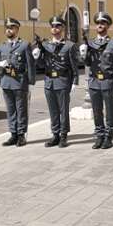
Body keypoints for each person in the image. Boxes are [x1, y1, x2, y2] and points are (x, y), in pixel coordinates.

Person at [0, 18, 36, 146]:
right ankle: (13, 134)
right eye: (7, 28)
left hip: (19, 82)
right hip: (6, 81)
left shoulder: (24, 45)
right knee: (11, 109)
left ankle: (21, 135)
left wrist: (31, 81)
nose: (9, 30)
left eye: (12, 27)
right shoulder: (3, 46)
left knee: (21, 109)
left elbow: (30, 64)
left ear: (17, 29)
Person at [79, 12, 113, 149]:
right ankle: (99, 135)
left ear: (108, 26)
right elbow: (87, 63)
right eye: (98, 23)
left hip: (108, 81)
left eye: (103, 23)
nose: (100, 25)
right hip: (94, 81)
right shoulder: (91, 43)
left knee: (110, 110)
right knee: (97, 110)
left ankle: (109, 136)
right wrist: (84, 53)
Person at [32, 16, 79, 148]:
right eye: (53, 26)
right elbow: (41, 64)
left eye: (58, 26)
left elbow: (74, 65)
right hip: (49, 82)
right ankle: (55, 134)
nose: (55, 28)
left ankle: (63, 135)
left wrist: (75, 81)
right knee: (53, 110)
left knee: (63, 110)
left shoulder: (70, 46)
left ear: (63, 28)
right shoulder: (46, 45)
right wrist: (38, 54)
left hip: (63, 81)